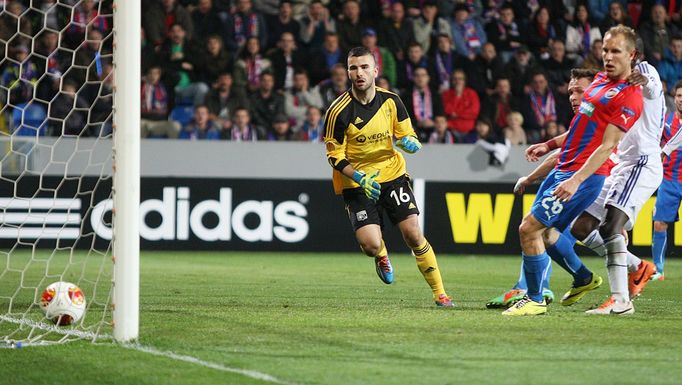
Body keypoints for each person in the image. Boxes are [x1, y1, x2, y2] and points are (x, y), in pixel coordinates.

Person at [502, 26, 643, 316]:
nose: (607, 56)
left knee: (529, 228)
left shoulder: (629, 97)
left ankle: (535, 298)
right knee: (548, 234)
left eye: (615, 51)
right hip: (566, 168)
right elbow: (581, 127)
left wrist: (577, 180)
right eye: (605, 49)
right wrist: (549, 144)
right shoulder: (602, 79)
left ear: (631, 54)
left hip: (582, 174)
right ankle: (582, 278)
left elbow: (607, 146)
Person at [323, 47, 453, 307]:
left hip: (392, 174)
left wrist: (410, 142)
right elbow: (334, 156)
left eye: (363, 67)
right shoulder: (338, 112)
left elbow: (407, 134)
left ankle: (441, 293)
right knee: (370, 245)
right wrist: (360, 178)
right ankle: (381, 254)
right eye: (353, 68)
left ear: (375, 70)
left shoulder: (391, 101)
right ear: (348, 72)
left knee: (414, 235)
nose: (358, 73)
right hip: (356, 182)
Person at [652, 81, 682, 281]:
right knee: (659, 224)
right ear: (674, 98)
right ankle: (658, 270)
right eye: (679, 96)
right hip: (669, 180)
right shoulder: (666, 121)